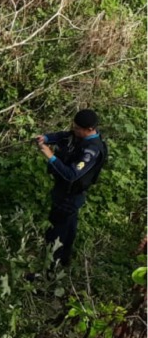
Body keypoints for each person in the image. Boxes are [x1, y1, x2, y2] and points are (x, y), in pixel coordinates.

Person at [35, 109, 107, 267]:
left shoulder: (92, 149)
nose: (74, 130)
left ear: (89, 129)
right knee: (68, 232)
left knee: (55, 236)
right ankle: (63, 265)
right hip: (64, 193)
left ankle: (49, 274)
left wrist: (50, 155)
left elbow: (71, 174)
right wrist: (46, 138)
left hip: (69, 197)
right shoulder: (78, 134)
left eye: (77, 129)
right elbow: (63, 136)